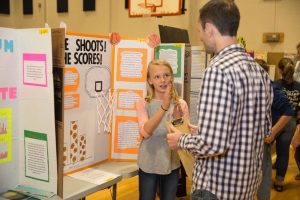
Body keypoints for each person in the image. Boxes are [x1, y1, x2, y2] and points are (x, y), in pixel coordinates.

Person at [166, 1, 273, 200]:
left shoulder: (217, 71)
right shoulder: (259, 71)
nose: (199, 36)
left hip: (216, 189)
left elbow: (214, 144)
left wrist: (180, 140)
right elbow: (264, 131)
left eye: (199, 30)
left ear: (209, 28)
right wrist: (207, 130)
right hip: (246, 186)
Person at [136, 59, 191, 200]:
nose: (163, 80)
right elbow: (145, 132)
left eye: (166, 75)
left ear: (172, 77)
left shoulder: (180, 104)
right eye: (157, 77)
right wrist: (164, 107)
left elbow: (185, 137)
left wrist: (177, 121)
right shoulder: (143, 103)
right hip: (149, 162)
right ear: (150, 80)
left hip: (171, 163)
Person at [255, 59, 293, 199]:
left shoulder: (271, 89)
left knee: (264, 176)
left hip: (265, 138)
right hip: (254, 139)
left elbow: (289, 111)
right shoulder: (256, 87)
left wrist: (272, 132)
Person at [272, 57, 300, 191]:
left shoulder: (275, 84)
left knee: (265, 152)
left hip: (276, 121)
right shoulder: (299, 87)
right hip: (291, 123)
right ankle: (279, 183)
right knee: (283, 153)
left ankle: (260, 180)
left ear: (279, 70)